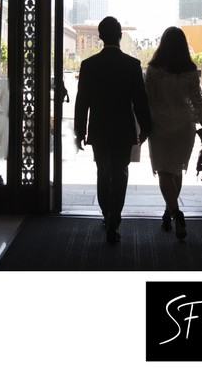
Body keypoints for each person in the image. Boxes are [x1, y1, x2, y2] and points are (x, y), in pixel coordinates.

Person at [74, 16, 152, 243]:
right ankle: (114, 219)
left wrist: (80, 131)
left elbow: (82, 102)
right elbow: (140, 100)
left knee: (102, 171)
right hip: (123, 129)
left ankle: (106, 213)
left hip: (98, 129)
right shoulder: (132, 65)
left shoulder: (88, 66)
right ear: (120, 36)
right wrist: (146, 127)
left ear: (99, 36)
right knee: (120, 173)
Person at [144, 26, 202, 240]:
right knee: (176, 171)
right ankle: (169, 212)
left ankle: (176, 213)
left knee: (164, 172)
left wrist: (143, 127)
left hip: (160, 125)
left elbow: (146, 99)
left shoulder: (153, 70)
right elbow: (197, 101)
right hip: (184, 126)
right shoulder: (189, 70)